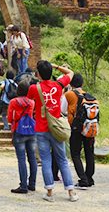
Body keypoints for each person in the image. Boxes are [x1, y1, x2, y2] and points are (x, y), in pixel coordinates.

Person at [27, 60, 78, 202]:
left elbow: (29, 100)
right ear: (50, 72)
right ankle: (71, 192)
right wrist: (55, 66)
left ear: (38, 74)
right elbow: (71, 73)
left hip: (41, 129)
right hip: (56, 128)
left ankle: (49, 193)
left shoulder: (34, 88)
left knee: (46, 161)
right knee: (62, 160)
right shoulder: (59, 85)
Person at [64, 73, 95, 189]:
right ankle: (90, 178)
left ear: (71, 83)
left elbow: (63, 110)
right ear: (82, 83)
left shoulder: (69, 94)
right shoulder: (89, 96)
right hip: (90, 127)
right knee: (89, 153)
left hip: (76, 128)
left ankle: (83, 180)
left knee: (75, 153)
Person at [7, 79, 37, 194]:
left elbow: (10, 118)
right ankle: (32, 184)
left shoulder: (14, 102)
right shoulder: (31, 102)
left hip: (19, 131)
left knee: (21, 159)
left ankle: (23, 185)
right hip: (31, 131)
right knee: (32, 158)